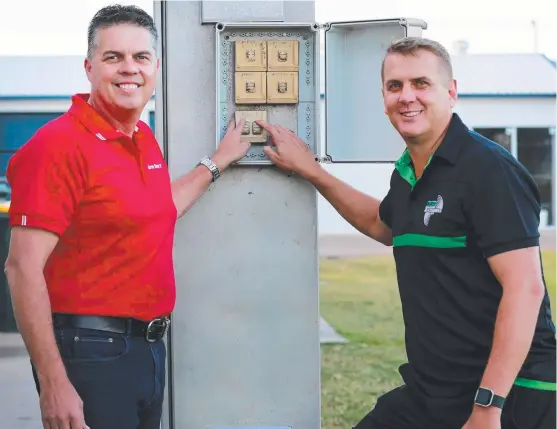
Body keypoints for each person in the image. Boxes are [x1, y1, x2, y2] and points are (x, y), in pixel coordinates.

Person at [256, 37, 556, 429]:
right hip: (435, 389)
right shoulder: (409, 173)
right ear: (383, 96)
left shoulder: (488, 170)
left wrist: (487, 407)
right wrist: (312, 171)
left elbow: (525, 289)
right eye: (395, 86)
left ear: (451, 92)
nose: (406, 96)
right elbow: (382, 224)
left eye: (421, 83)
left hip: (510, 393)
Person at [4, 5, 249, 429]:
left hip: (147, 349)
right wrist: (53, 382)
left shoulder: (142, 136)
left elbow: (158, 210)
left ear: (156, 66)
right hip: (90, 352)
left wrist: (217, 163)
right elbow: (22, 268)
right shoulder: (58, 146)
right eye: (113, 57)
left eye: (140, 58)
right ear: (89, 66)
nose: (128, 70)